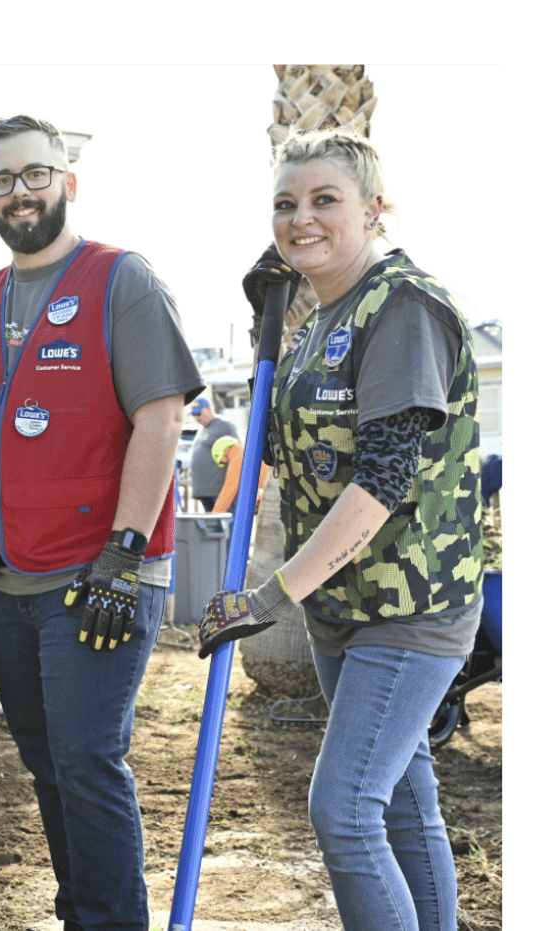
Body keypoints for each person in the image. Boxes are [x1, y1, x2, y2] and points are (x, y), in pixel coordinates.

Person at [0, 115, 203, 931]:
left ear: (67, 181)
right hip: (1, 583)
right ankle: (82, 911)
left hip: (96, 575)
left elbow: (161, 420)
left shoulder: (120, 278)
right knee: (46, 760)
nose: (19, 193)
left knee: (88, 759)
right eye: (1, 179)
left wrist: (124, 554)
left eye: (34, 174)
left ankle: (112, 920)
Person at [197, 126, 483, 931]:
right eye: (286, 204)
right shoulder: (316, 322)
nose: (301, 219)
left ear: (375, 208)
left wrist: (271, 595)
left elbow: (382, 482)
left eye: (326, 200)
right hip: (343, 610)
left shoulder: (402, 308)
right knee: (399, 801)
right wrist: (271, 326)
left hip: (411, 606)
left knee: (345, 809)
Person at [187, 396, 238, 510]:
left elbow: (237, 455)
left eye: (199, 413)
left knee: (224, 525)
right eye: (194, 415)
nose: (196, 417)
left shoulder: (224, 426)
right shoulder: (203, 428)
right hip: (204, 491)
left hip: (219, 491)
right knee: (211, 526)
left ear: (209, 409)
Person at [208, 434, 267, 516]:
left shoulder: (238, 455)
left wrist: (215, 516)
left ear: (223, 455)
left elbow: (230, 488)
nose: (227, 466)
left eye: (225, 463)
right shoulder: (247, 452)